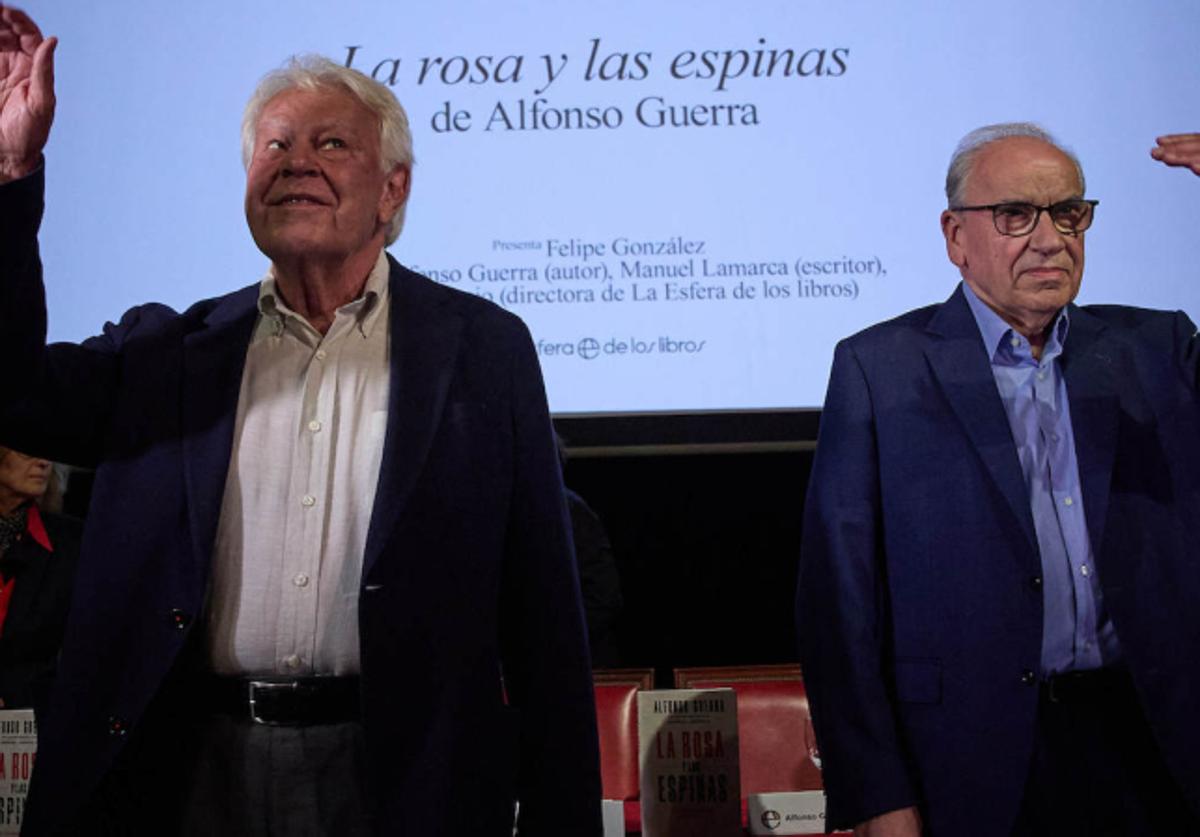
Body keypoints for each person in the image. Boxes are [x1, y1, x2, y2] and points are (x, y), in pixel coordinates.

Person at [0, 6, 601, 836]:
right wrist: (9, 171)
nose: (296, 165)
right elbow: (11, 390)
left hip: (403, 780)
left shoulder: (482, 351)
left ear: (394, 189)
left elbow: (544, 616)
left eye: (331, 145)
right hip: (182, 773)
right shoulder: (165, 352)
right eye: (274, 145)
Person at [797, 123, 1200, 837]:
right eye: (1016, 215)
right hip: (967, 762)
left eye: (1069, 212)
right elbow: (839, 603)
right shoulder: (880, 368)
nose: (1051, 238)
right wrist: (876, 793)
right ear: (956, 237)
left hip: (1152, 748)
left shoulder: (1158, 349)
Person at [0, 445, 80, 711]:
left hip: (27, 723)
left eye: (47, 451)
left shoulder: (73, 544)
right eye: (26, 451)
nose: (43, 461)